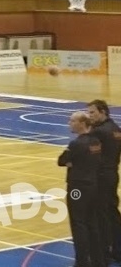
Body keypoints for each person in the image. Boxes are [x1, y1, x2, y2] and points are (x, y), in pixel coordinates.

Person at [59, 110, 105, 267]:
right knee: (92, 223)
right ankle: (98, 260)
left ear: (82, 123)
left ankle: (82, 262)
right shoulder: (95, 142)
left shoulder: (76, 143)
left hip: (77, 188)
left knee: (78, 223)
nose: (69, 123)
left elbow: (61, 160)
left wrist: (72, 163)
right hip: (93, 186)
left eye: (72, 121)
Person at [87, 99, 121, 262]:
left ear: (103, 112)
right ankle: (117, 249)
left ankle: (103, 252)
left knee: (101, 214)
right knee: (112, 212)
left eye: (92, 112)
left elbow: (89, 154)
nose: (89, 116)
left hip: (100, 177)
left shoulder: (98, 131)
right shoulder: (115, 128)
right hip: (113, 174)